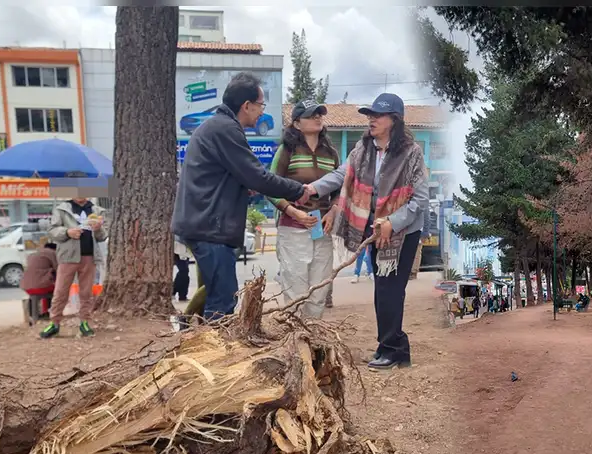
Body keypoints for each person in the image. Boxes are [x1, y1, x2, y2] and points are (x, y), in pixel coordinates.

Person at [171, 71, 312, 320]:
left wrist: (244, 187)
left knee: (212, 293)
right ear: (246, 105)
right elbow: (257, 176)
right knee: (223, 299)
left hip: (204, 223)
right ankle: (211, 342)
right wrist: (299, 190)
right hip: (210, 227)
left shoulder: (218, 126)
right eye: (260, 105)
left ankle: (191, 333)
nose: (261, 111)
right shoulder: (225, 129)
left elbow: (233, 177)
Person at [308, 93, 429, 371]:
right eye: (369, 115)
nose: (371, 119)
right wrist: (313, 188)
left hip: (402, 233)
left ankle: (393, 348)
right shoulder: (363, 150)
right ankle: (392, 347)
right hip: (375, 230)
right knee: (382, 290)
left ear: (394, 120)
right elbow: (341, 175)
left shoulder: (412, 153)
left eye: (378, 115)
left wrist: (393, 222)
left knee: (390, 291)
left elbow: (420, 200)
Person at [265, 99, 339, 318]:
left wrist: (333, 211)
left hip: (322, 229)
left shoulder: (331, 153)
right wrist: (292, 211)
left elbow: (339, 189)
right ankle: (295, 336)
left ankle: (313, 334)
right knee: (295, 291)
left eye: (319, 114)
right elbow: (269, 187)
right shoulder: (286, 150)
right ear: (297, 123)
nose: (318, 118)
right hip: (293, 228)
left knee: (319, 290)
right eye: (311, 115)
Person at [41, 198, 107, 338]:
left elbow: (102, 236)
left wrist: (98, 229)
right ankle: (54, 323)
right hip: (68, 257)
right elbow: (52, 231)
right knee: (61, 291)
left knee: (86, 292)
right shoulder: (62, 209)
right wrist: (67, 232)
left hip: (89, 256)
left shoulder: (96, 210)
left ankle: (85, 322)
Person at [20, 242, 57, 318]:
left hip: (26, 287)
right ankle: (48, 312)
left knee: (36, 294)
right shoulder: (52, 253)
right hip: (42, 287)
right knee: (56, 290)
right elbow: (58, 268)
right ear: (55, 249)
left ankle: (32, 315)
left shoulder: (33, 254)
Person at [173, 235, 192, 302]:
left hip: (183, 249)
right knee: (184, 271)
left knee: (184, 272)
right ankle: (176, 293)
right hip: (178, 248)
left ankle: (182, 295)